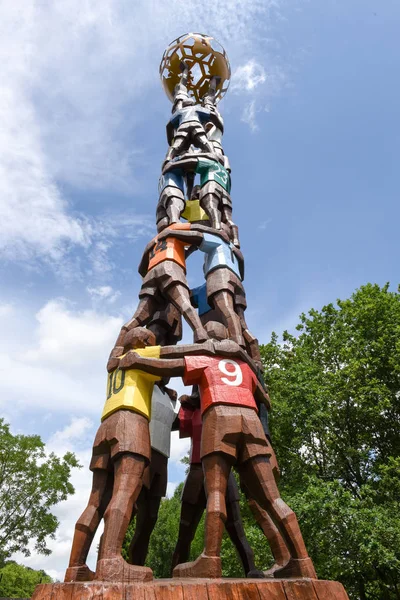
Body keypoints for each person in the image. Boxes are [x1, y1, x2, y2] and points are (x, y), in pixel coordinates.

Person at [116, 321, 317, 580]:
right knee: (273, 498)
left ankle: (211, 559)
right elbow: (265, 398)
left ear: (207, 340)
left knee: (216, 493)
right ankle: (302, 561)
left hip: (221, 420)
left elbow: (171, 365)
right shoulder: (243, 365)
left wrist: (138, 360)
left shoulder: (206, 359)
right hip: (251, 422)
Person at [65, 327, 162, 583]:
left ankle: (75, 566)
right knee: (124, 492)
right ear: (143, 343)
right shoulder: (144, 356)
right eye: (152, 341)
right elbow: (178, 357)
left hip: (105, 426)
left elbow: (120, 340)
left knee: (95, 500)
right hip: (131, 423)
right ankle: (111, 560)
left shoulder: (114, 361)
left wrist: (126, 329)